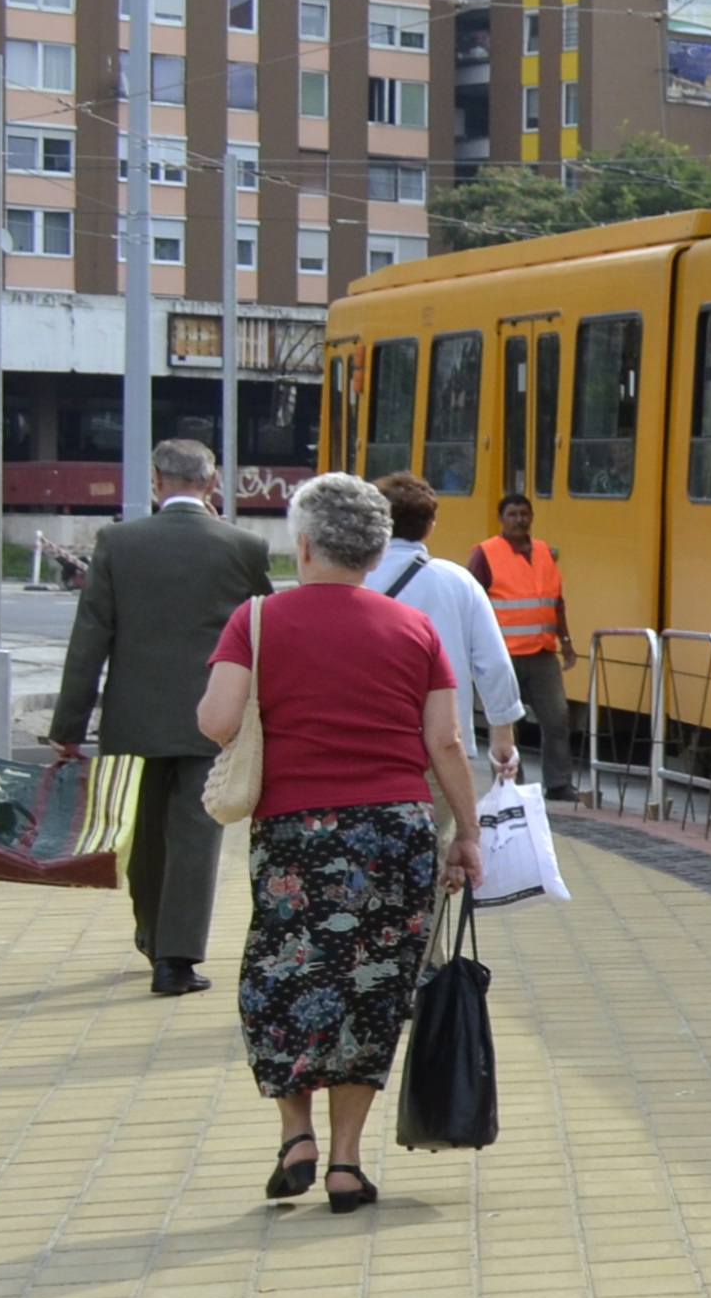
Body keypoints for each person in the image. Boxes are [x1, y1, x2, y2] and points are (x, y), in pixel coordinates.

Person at [201, 473, 486, 1215]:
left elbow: (216, 719)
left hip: (296, 833)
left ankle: (295, 1136)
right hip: (396, 830)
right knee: (372, 990)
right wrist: (469, 834)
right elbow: (447, 741)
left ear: (302, 543)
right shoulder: (413, 628)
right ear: (372, 550)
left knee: (285, 976)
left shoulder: (257, 620)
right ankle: (348, 1165)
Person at [44, 436, 278, 997]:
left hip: (134, 721)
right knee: (197, 836)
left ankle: (151, 933)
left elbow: (90, 640)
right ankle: (176, 959)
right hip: (212, 717)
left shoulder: (118, 543)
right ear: (212, 481)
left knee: (145, 835)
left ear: (155, 480)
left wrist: (67, 730)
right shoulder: (243, 546)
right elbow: (269, 631)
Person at [363, 477, 522, 788]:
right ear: (430, 526)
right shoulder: (458, 582)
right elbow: (495, 664)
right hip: (442, 747)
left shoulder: (353, 577)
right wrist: (502, 735)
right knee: (441, 835)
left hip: (366, 746)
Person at [462, 487, 576, 800]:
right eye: (512, 514)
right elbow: (473, 601)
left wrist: (566, 641)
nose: (519, 520)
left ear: (532, 518)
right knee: (507, 721)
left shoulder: (543, 552)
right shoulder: (485, 554)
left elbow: (557, 601)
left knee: (557, 717)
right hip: (503, 655)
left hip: (541, 652)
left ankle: (559, 783)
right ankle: (513, 783)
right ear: (501, 519)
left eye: (524, 514)